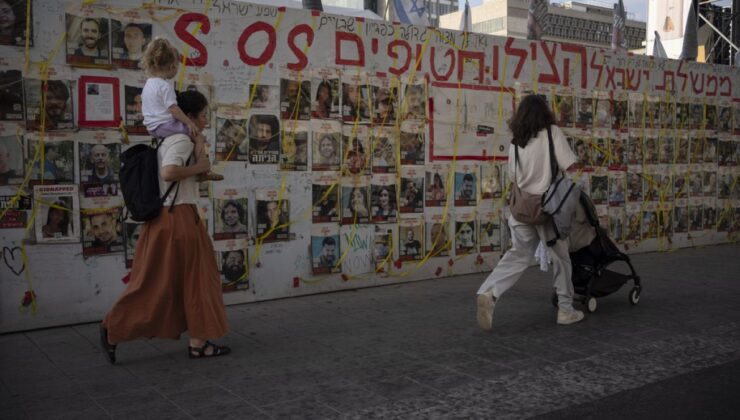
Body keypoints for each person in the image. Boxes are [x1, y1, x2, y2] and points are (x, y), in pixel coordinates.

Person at [100, 90, 230, 364]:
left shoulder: (170, 139)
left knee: (167, 282)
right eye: (203, 115)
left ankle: (198, 342)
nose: (206, 120)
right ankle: (113, 327)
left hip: (169, 218)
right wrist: (200, 166)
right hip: (178, 218)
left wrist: (199, 151)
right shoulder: (180, 140)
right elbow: (169, 173)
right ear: (191, 116)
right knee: (180, 282)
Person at [476, 94, 584, 330]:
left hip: (521, 209)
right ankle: (566, 310)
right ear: (544, 112)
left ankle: (489, 292)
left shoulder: (517, 141)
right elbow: (571, 166)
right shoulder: (553, 133)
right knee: (561, 259)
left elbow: (514, 177)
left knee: (518, 255)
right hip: (548, 211)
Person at [140, 37, 222, 182]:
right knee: (198, 136)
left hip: (152, 127)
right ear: (172, 67)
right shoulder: (165, 86)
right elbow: (174, 109)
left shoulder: (148, 84)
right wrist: (190, 124)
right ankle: (203, 170)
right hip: (164, 125)